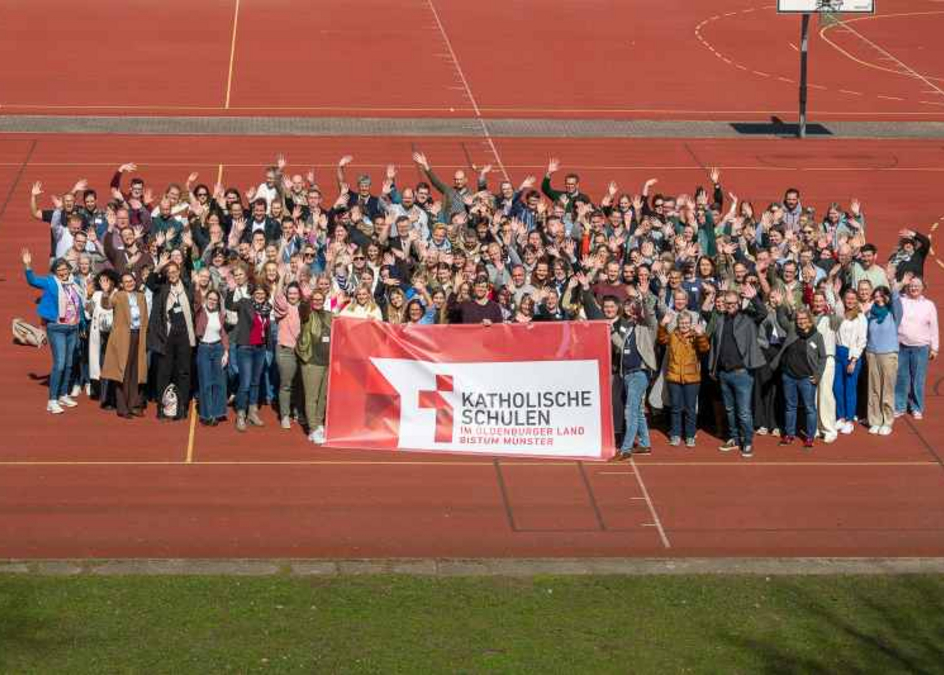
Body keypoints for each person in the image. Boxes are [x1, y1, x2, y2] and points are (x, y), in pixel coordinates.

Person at [22, 249, 85, 414]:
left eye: (65, 269)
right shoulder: (50, 282)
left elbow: (80, 304)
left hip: (73, 327)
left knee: (70, 363)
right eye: (60, 270)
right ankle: (52, 400)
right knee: (60, 363)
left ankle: (64, 394)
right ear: (55, 272)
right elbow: (33, 281)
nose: (63, 273)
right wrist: (27, 265)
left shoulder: (75, 281)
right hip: (56, 328)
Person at [708, 285, 767, 458]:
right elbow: (714, 346)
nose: (730, 306)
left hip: (742, 373)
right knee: (729, 409)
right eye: (727, 303)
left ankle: (747, 441)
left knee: (743, 411)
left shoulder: (747, 318)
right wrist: (713, 368)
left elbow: (762, 313)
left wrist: (755, 298)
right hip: (724, 373)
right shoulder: (720, 320)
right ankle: (734, 438)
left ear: (739, 302)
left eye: (733, 303)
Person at [146, 260, 196, 421]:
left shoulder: (187, 287)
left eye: (175, 271)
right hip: (166, 337)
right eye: (170, 272)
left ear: (179, 272)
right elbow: (150, 282)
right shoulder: (162, 288)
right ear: (166, 274)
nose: (173, 274)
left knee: (183, 372)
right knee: (164, 373)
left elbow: (190, 268)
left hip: (185, 336)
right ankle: (163, 407)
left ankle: (181, 407)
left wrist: (188, 251)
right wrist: (159, 266)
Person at [771, 306, 826, 449]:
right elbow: (781, 319)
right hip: (789, 376)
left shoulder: (817, 336)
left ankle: (809, 437)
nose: (801, 322)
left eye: (804, 319)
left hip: (807, 378)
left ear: (809, 320)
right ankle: (789, 434)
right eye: (798, 319)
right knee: (790, 407)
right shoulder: (792, 331)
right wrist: (780, 305)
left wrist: (818, 375)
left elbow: (823, 357)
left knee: (809, 408)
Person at [658, 310, 710, 448]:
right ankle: (675, 434)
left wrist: (700, 335)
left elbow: (704, 348)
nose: (684, 325)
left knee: (690, 409)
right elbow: (662, 340)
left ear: (691, 323)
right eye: (682, 322)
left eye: (687, 322)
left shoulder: (695, 336)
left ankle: (690, 435)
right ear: (678, 323)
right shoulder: (673, 335)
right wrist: (662, 325)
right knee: (675, 408)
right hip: (674, 377)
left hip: (692, 378)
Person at [101, 273, 149, 419]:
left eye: (131, 281)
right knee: (123, 373)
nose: (129, 283)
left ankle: (135, 405)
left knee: (137, 372)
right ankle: (122, 407)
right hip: (123, 338)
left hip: (138, 336)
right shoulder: (119, 295)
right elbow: (107, 305)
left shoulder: (141, 297)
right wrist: (105, 292)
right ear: (121, 284)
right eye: (126, 281)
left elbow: (145, 317)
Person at [228, 283, 272, 432]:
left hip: (260, 348)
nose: (260, 296)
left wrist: (268, 348)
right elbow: (229, 305)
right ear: (253, 294)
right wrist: (231, 290)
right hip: (245, 347)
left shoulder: (267, 308)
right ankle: (241, 414)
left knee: (255, 382)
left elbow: (267, 330)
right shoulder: (244, 303)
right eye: (257, 293)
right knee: (245, 383)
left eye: (263, 294)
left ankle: (252, 413)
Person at [895, 275, 939, 419]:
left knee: (917, 379)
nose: (914, 288)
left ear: (922, 288)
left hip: (921, 348)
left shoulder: (929, 305)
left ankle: (916, 407)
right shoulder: (901, 300)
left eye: (917, 286)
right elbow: (892, 292)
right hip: (902, 345)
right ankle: (899, 406)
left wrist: (934, 348)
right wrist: (901, 283)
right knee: (901, 378)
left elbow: (934, 327)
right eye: (911, 285)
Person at [865, 285, 902, 435]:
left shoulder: (893, 313)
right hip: (872, 353)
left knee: (887, 389)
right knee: (874, 388)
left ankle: (887, 421)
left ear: (887, 297)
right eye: (876, 296)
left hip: (888, 354)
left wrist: (892, 284)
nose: (879, 299)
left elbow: (896, 301)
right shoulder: (870, 313)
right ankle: (875, 420)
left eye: (882, 296)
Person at [296, 289, 332, 443]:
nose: (317, 301)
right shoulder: (307, 314)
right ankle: (312, 429)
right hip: (311, 361)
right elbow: (302, 308)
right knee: (312, 397)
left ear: (324, 300)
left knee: (323, 396)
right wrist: (305, 299)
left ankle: (318, 424)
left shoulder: (329, 315)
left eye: (320, 299)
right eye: (314, 299)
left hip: (327, 362)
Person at [833, 288, 867, 435]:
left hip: (850, 355)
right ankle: (840, 416)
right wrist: (834, 293)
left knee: (850, 388)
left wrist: (853, 360)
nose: (850, 301)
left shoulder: (860, 317)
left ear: (857, 300)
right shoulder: (840, 314)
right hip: (837, 353)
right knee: (837, 387)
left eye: (853, 299)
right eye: (848, 298)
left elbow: (862, 340)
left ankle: (849, 420)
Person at [273, 282, 305, 429]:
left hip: (301, 351)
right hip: (285, 350)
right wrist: (281, 280)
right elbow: (278, 297)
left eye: (295, 293)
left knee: (299, 383)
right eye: (290, 293)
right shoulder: (283, 307)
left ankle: (298, 411)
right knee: (286, 384)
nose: (293, 296)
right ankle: (285, 415)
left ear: (299, 294)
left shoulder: (303, 308)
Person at [194, 289, 229, 425]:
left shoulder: (220, 315)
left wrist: (226, 352)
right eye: (210, 299)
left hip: (218, 348)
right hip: (204, 349)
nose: (213, 302)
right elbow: (196, 302)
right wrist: (197, 285)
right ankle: (206, 415)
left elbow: (223, 333)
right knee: (206, 383)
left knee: (219, 382)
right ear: (206, 299)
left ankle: (217, 413)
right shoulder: (201, 312)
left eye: (215, 300)